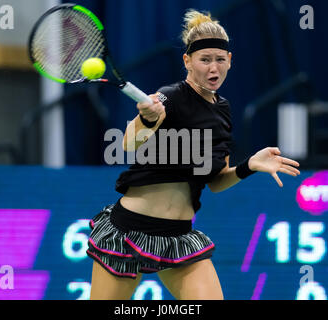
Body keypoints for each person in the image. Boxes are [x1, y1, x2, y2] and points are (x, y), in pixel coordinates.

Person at [86, 9, 300, 300]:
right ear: (187, 61)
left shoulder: (222, 111)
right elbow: (128, 143)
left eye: (220, 59)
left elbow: (216, 181)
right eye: (205, 59)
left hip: (178, 236)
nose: (214, 68)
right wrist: (148, 119)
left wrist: (249, 165)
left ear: (230, 61)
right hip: (130, 231)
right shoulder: (169, 96)